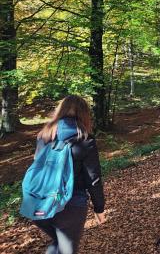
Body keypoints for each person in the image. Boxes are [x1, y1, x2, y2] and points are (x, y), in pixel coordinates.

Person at [32, 95, 106, 254]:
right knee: (65, 249)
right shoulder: (85, 140)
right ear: (84, 114)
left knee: (59, 244)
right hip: (70, 206)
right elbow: (93, 179)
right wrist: (99, 208)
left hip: (40, 205)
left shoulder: (44, 135)